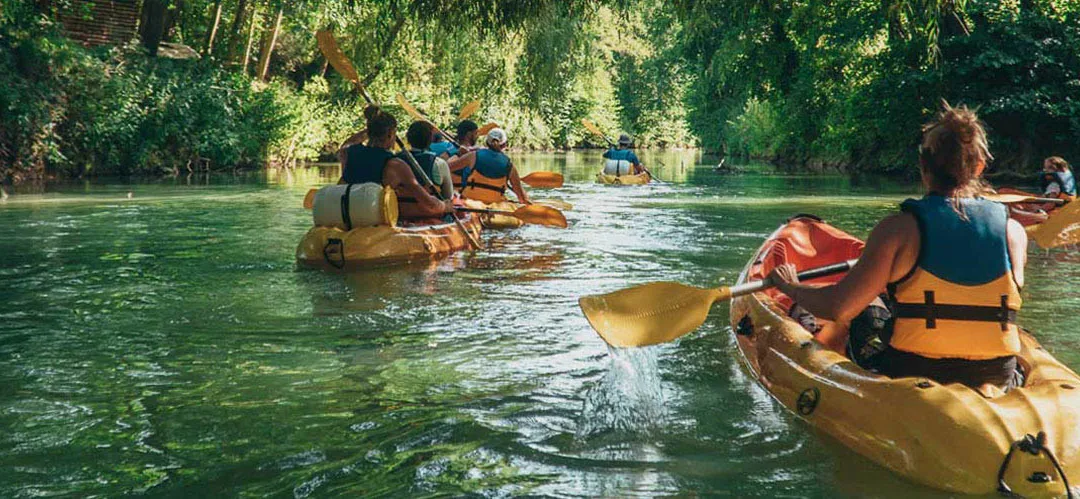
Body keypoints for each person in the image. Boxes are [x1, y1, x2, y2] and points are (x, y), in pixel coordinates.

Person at [768, 103, 1027, 391]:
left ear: (923, 166)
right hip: (996, 373)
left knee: (868, 309)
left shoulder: (898, 230)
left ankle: (803, 320)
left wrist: (789, 286)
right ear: (979, 166)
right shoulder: (1013, 231)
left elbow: (838, 307)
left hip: (915, 370)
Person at [337, 106, 455, 222]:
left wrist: (371, 128)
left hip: (349, 217)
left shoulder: (349, 152)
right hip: (374, 220)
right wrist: (445, 206)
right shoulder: (396, 165)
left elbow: (347, 144)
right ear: (390, 134)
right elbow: (429, 204)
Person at [459, 128, 531, 205]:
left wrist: (458, 154)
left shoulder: (473, 156)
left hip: (470, 204)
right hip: (495, 207)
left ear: (487, 143)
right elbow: (522, 198)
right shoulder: (509, 166)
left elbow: (446, 167)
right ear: (504, 145)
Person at [402, 121, 455, 199]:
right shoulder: (439, 164)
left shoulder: (395, 161)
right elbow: (448, 196)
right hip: (430, 209)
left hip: (402, 210)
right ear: (430, 139)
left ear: (408, 137)